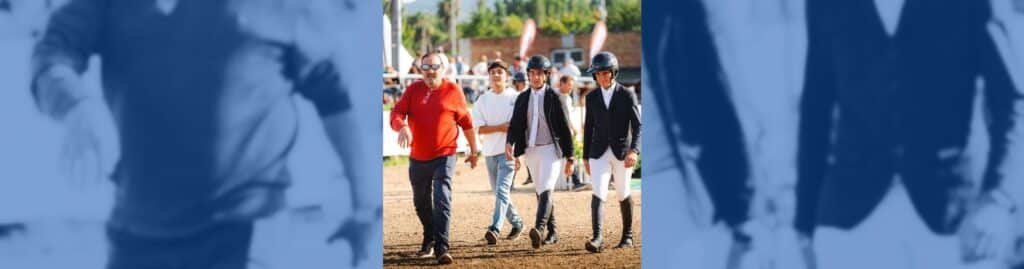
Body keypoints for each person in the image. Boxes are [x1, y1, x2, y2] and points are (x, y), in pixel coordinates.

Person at [30, 0, 380, 268]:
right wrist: (75, 104)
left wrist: (364, 208)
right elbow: (52, 55)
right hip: (136, 234)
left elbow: (335, 100)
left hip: (248, 232)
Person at [799, 1, 1022, 268]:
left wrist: (997, 199)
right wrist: (804, 224)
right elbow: (816, 108)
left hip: (950, 219)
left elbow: (1011, 101)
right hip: (851, 217)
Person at [390, 52, 479, 265]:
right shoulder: (413, 90)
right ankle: (429, 235)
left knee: (442, 199)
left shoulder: (453, 91)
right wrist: (402, 126)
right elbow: (396, 113)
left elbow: (466, 123)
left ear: (444, 68)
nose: (430, 71)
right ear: (421, 69)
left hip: (444, 155)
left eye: (435, 66)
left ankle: (442, 247)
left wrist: (474, 151)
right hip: (418, 157)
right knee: (420, 202)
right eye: (426, 67)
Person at [504, 55, 575, 249]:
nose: (536, 77)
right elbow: (515, 125)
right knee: (540, 190)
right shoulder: (522, 98)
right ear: (528, 75)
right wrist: (510, 144)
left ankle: (539, 228)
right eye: (532, 73)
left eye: (540, 74)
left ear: (546, 75)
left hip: (551, 149)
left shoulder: (555, 97)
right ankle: (552, 232)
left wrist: (571, 156)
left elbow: (563, 128)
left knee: (546, 188)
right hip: (531, 150)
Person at [581, 52, 641, 253]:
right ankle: (597, 238)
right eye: (597, 74)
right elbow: (588, 128)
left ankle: (628, 236)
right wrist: (585, 156)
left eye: (605, 73)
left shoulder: (627, 94)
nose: (601, 77)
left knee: (623, 193)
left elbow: (638, 126)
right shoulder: (591, 98)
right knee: (598, 192)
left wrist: (634, 150)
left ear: (613, 73)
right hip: (598, 152)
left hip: (622, 153)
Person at [472, 61, 525, 245]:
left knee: (502, 190)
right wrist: (500, 127)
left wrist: (518, 153)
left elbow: (519, 128)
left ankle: (495, 228)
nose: (496, 75)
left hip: (508, 153)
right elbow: (479, 129)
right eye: (493, 72)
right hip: (489, 153)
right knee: (499, 193)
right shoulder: (482, 100)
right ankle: (517, 222)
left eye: (500, 72)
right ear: (489, 76)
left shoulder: (515, 98)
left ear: (506, 75)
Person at [557, 75, 588, 192]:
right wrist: (573, 128)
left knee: (567, 155)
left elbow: (568, 115)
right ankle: (575, 181)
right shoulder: (559, 98)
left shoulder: (568, 98)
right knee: (568, 154)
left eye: (572, 85)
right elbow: (564, 118)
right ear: (562, 84)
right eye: (569, 85)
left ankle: (573, 181)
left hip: (567, 130)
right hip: (562, 132)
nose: (571, 87)